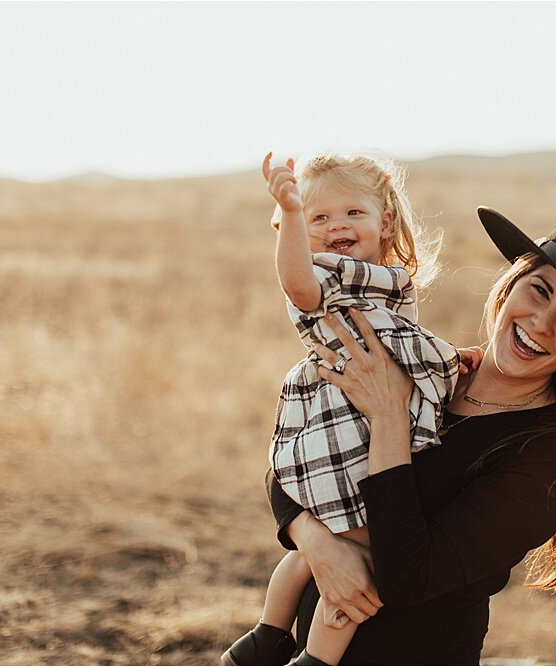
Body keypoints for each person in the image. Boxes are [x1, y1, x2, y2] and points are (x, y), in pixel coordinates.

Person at [259, 205, 556, 665]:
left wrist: (387, 418)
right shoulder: (428, 371)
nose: (542, 322)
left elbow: (408, 577)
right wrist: (318, 543)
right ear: (509, 287)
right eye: (539, 291)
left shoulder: (553, 459)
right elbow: (299, 457)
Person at [222, 152, 476, 666]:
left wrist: (447, 357)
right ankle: (315, 657)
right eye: (321, 217)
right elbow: (295, 283)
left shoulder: (386, 280)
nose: (336, 224)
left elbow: (397, 343)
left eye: (352, 213)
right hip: (341, 432)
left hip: (361, 433)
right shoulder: (325, 275)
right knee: (371, 558)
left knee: (315, 549)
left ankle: (266, 637)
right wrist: (291, 216)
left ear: (386, 220)